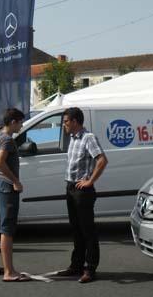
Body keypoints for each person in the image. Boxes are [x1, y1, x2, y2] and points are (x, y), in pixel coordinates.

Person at [56, 107, 108, 284]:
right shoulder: (72, 138)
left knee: (88, 231)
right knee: (76, 230)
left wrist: (90, 181)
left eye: (66, 121)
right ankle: (76, 266)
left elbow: (102, 160)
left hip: (82, 191)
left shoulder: (88, 138)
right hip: (71, 188)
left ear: (75, 121)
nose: (64, 125)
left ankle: (90, 268)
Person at [0, 108, 29, 282]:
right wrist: (14, 181)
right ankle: (9, 272)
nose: (22, 125)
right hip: (6, 187)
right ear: (13, 122)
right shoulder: (8, 140)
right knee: (7, 228)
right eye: (20, 122)